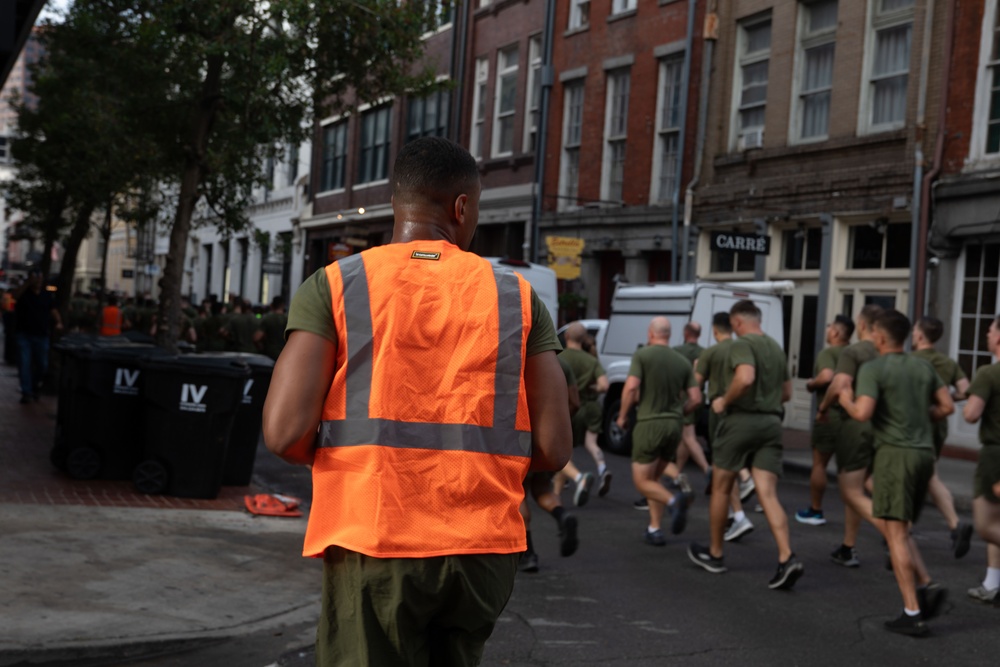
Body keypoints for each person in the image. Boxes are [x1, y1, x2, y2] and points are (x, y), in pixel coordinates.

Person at [261, 137, 571, 666]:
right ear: (462, 207)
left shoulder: (337, 284)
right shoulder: (516, 296)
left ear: (395, 206)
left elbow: (285, 433)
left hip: (374, 535)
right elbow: (553, 447)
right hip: (481, 548)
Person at [839, 309, 953, 636]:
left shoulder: (874, 369)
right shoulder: (923, 366)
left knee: (896, 534)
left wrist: (846, 399)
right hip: (922, 456)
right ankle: (923, 590)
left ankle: (912, 611)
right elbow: (947, 407)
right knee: (900, 530)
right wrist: (919, 417)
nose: (871, 336)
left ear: (880, 337)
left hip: (894, 456)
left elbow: (862, 413)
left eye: (873, 332)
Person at [688, 300, 803, 590]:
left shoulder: (741, 344)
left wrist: (724, 401)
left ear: (737, 322)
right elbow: (787, 393)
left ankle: (715, 554)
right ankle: (786, 556)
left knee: (721, 486)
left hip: (740, 421)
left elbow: (746, 377)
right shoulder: (776, 348)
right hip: (771, 423)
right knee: (767, 492)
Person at [617, 317, 699, 545]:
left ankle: (674, 502)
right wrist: (680, 413)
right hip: (673, 427)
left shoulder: (643, 355)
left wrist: (622, 416)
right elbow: (696, 398)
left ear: (651, 333)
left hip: (649, 424)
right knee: (655, 478)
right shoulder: (682, 361)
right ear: (669, 335)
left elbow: (632, 386)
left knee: (642, 482)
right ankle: (655, 529)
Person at [817, 304, 883, 568]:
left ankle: (894, 534)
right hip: (883, 425)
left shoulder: (853, 351)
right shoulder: (886, 353)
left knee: (850, 490)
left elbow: (839, 383)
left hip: (856, 424)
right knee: (865, 482)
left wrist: (823, 408)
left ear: (863, 325)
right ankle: (848, 545)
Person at [911, 316, 974, 558]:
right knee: (929, 475)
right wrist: (945, 400)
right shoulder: (947, 363)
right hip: (937, 426)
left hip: (913, 425)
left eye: (915, 330)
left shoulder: (909, 360)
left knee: (910, 476)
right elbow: (965, 391)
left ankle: (901, 530)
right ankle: (955, 525)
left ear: (919, 335)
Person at [695, 311, 755, 542]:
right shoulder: (743, 349)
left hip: (719, 410)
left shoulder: (711, 352)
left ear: (714, 330)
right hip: (741, 411)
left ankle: (738, 515)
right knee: (730, 465)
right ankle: (737, 510)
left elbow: (696, 385)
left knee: (722, 466)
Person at [519, 355, 580, 572]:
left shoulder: (514, 354)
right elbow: (575, 402)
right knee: (542, 488)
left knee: (519, 493)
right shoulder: (560, 362)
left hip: (519, 434)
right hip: (547, 436)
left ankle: (529, 553)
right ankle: (562, 515)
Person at [796, 314, 854, 526]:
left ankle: (815, 510)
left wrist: (811, 384)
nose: (828, 329)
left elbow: (827, 377)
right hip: (854, 416)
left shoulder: (828, 353)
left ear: (837, 333)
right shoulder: (855, 353)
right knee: (854, 470)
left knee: (819, 464)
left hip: (830, 416)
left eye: (830, 327)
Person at [962, 313, 1000, 609]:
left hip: (995, 455)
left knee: (986, 525)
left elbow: (971, 414)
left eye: (990, 330)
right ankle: (992, 582)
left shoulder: (988, 373)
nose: (987, 335)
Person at [556, 321, 611, 504]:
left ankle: (575, 479)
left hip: (568, 408)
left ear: (567, 337)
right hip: (591, 406)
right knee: (592, 443)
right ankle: (602, 468)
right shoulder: (591, 360)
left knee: (563, 450)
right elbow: (604, 385)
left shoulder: (560, 357)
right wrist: (591, 388)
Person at [672, 321, 713, 494]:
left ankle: (708, 471)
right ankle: (676, 474)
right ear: (699, 334)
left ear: (685, 332)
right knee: (684, 438)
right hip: (700, 398)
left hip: (684, 397)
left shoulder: (676, 352)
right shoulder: (705, 353)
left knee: (688, 436)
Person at [12, 270, 62, 404]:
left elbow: (53, 310)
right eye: (36, 278)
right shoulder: (24, 293)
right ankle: (26, 392)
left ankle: (34, 386)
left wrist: (58, 322)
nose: (38, 281)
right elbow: (15, 297)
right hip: (24, 335)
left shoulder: (47, 294)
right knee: (24, 364)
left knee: (42, 365)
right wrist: (27, 283)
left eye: (40, 278)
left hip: (41, 335)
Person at [254, 295, 288, 361]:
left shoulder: (267, 318)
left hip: (270, 355)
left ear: (272, 305)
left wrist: (261, 348)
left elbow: (256, 338)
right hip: (285, 354)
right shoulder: (288, 319)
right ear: (283, 305)